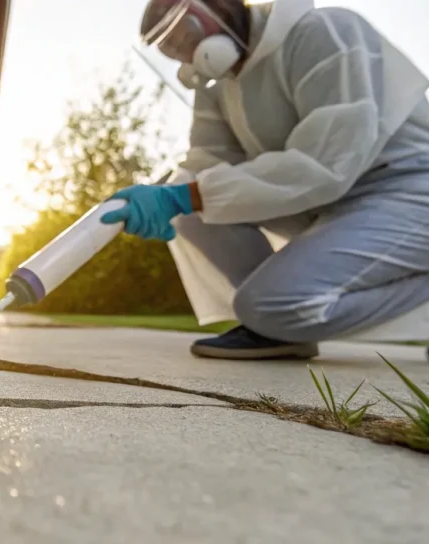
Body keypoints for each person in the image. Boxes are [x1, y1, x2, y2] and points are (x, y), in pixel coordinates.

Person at [101, 0, 429, 360]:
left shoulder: (322, 32)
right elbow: (205, 165)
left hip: (408, 188)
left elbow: (328, 162)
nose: (189, 54)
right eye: (175, 49)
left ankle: (274, 318)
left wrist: (186, 195)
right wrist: (160, 196)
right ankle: (276, 329)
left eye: (189, 36)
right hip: (338, 204)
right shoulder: (218, 86)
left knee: (269, 303)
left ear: (222, 7)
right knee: (188, 203)